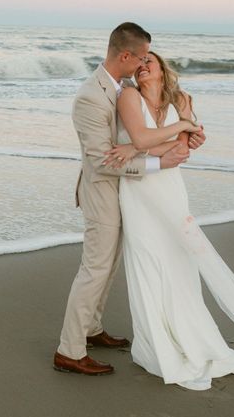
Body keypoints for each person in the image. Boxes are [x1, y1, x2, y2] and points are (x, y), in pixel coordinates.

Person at [105, 51, 234, 390]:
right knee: (147, 259)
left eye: (150, 62)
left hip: (170, 189)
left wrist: (138, 147)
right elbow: (146, 138)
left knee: (181, 261)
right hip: (138, 192)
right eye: (139, 63)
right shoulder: (128, 96)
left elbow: (181, 151)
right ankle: (155, 344)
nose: (143, 67)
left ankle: (192, 335)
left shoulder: (182, 98)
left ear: (162, 69)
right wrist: (175, 130)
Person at [54, 23, 205, 376]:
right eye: (140, 57)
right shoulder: (91, 96)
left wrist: (183, 136)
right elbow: (100, 160)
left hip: (126, 193)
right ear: (125, 55)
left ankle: (91, 328)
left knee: (108, 266)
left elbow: (141, 137)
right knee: (95, 269)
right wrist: (156, 162)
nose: (143, 64)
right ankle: (69, 350)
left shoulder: (121, 88)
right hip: (103, 193)